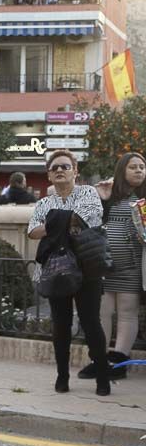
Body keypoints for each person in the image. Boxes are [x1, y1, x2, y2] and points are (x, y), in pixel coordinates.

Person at [28, 150, 110, 396]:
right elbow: (32, 231)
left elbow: (82, 220)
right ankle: (62, 376)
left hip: (87, 268)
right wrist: (62, 222)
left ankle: (102, 377)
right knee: (60, 325)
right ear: (49, 176)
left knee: (91, 323)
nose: (60, 170)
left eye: (65, 166)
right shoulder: (43, 202)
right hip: (56, 269)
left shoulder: (88, 193)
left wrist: (52, 224)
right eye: (55, 168)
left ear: (76, 171)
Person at [90, 152, 146, 380]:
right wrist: (98, 195)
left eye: (142, 167)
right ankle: (99, 359)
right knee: (102, 311)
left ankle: (119, 360)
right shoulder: (107, 192)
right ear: (122, 170)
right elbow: (87, 218)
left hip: (132, 265)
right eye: (133, 167)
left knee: (127, 312)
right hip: (103, 264)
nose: (139, 170)